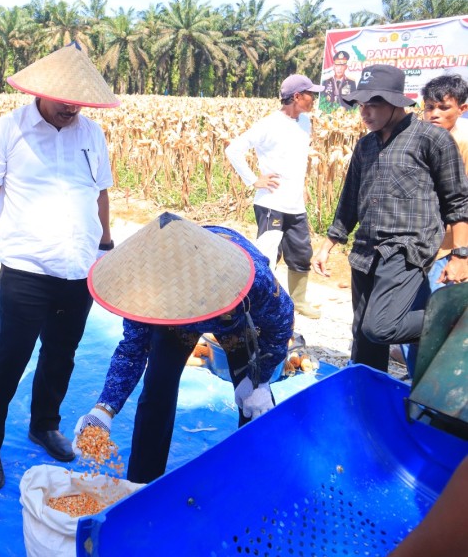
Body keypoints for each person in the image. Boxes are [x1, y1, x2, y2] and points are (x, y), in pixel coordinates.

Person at [0, 44, 117, 492]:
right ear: (42, 90)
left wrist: (105, 245)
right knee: (10, 355)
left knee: (62, 354)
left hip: (79, 268)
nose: (71, 106)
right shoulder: (7, 130)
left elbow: (101, 192)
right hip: (27, 267)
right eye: (63, 97)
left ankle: (44, 424)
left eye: (79, 99)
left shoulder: (91, 134)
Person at [74, 215, 294, 483]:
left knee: (254, 404)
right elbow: (132, 349)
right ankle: (141, 486)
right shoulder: (144, 291)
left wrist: (261, 379)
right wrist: (104, 408)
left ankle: (250, 478)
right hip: (173, 326)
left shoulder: (251, 279)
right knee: (157, 388)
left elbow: (281, 323)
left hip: (233, 319)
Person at [312, 64, 468, 373]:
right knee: (364, 338)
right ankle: (369, 406)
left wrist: (461, 254)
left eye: (374, 104)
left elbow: (458, 202)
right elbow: (349, 199)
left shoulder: (431, 139)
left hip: (406, 249)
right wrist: (328, 244)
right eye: (362, 105)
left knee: (381, 327)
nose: (365, 112)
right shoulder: (366, 144)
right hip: (365, 252)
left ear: (396, 102)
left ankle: (454, 317)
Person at [225, 73, 323, 319]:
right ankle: (259, 302)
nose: (315, 98)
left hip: (295, 204)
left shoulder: (305, 123)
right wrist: (253, 180)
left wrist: (303, 184)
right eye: (311, 94)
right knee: (268, 254)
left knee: (302, 253)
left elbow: (296, 158)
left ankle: (298, 300)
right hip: (271, 202)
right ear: (297, 96)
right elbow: (233, 149)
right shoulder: (269, 124)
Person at [423, 74, 468, 293]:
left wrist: (461, 254)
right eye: (429, 107)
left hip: (448, 248)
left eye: (443, 108)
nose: (434, 114)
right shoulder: (421, 142)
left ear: (462, 109)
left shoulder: (462, 144)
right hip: (422, 244)